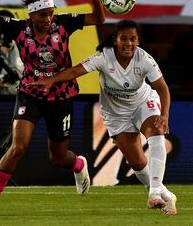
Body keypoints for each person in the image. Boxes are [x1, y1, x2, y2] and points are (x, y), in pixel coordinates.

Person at [0, 0, 105, 216]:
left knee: (57, 157)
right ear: (32, 15)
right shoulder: (17, 28)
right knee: (18, 147)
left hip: (61, 96)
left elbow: (99, 20)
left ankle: (78, 165)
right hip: (30, 94)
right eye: (43, 15)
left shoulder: (64, 23)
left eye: (50, 13)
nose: (48, 19)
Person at [30, 20, 178, 215]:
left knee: (157, 132)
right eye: (123, 38)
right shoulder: (103, 58)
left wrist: (165, 115)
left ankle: (154, 193)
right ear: (115, 40)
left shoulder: (145, 59)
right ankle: (166, 195)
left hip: (143, 103)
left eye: (133, 39)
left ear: (138, 41)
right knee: (138, 164)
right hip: (116, 115)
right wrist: (52, 80)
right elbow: (75, 71)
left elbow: (162, 89)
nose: (128, 43)